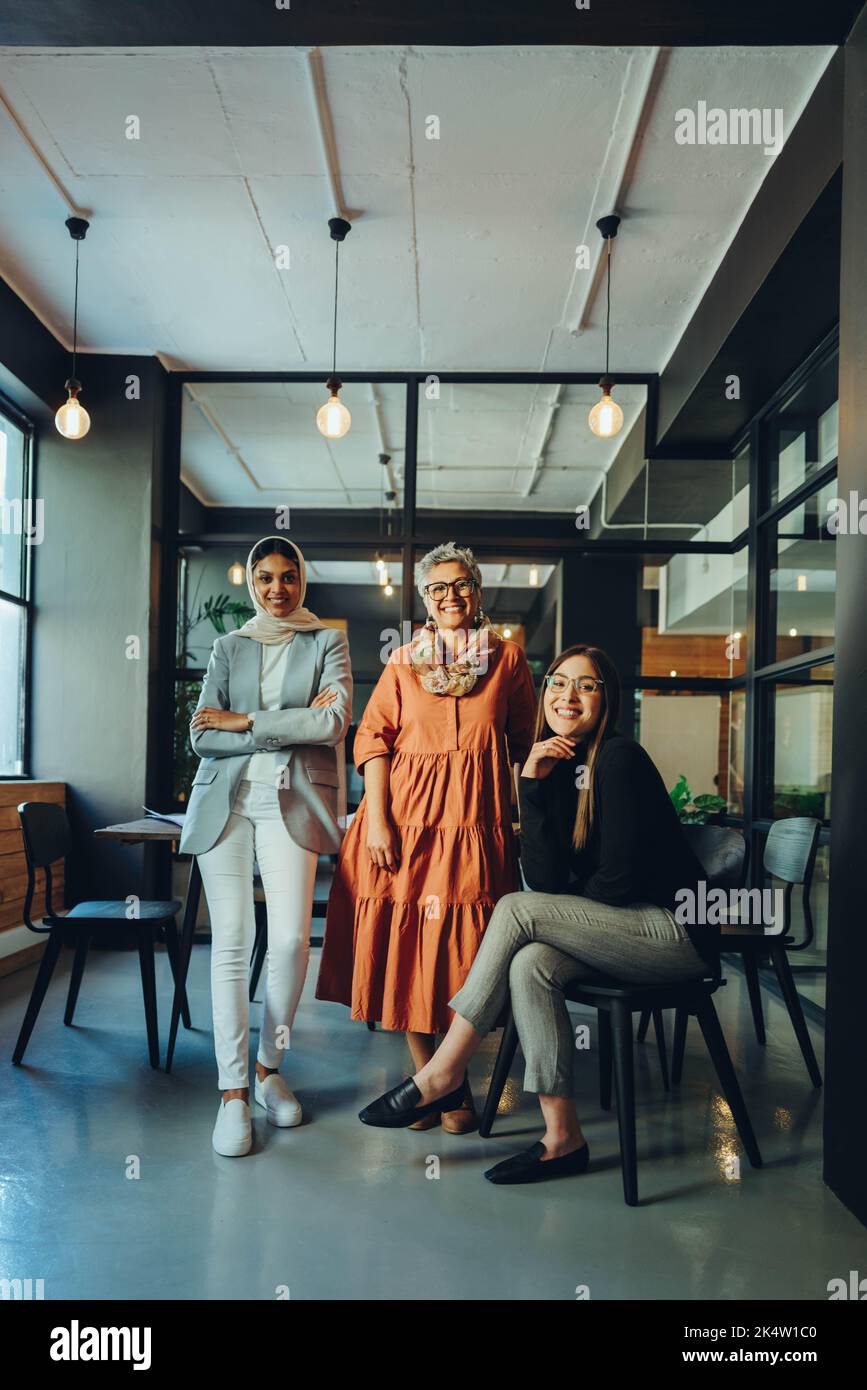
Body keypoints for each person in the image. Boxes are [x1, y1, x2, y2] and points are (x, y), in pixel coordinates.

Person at [357, 643, 715, 1183]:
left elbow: (614, 885)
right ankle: (562, 1137)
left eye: (587, 685)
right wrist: (530, 783)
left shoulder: (619, 759)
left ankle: (445, 1071)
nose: (568, 696)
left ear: (607, 698)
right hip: (621, 931)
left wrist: (560, 905)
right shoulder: (561, 766)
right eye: (558, 683)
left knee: (516, 911)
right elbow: (547, 880)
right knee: (530, 964)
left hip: (673, 932)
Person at [316, 541, 537, 1133]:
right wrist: (378, 818)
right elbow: (372, 741)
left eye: (460, 584)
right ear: (424, 599)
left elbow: (523, 746)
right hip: (406, 824)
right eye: (437, 588)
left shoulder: (508, 661)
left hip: (477, 828)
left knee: (467, 955)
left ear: (478, 590)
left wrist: (525, 818)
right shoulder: (403, 662)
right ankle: (440, 1087)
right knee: (405, 948)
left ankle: (444, 1076)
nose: (450, 596)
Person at [179, 536, 352, 1157]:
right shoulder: (229, 647)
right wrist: (287, 726)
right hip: (225, 803)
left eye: (288, 576)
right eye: (265, 578)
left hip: (293, 802)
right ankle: (230, 1093)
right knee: (231, 940)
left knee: (285, 941)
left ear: (302, 579)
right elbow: (203, 737)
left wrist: (246, 721)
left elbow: (331, 725)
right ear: (251, 583)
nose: (278, 589)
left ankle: (267, 1068)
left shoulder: (326, 641)